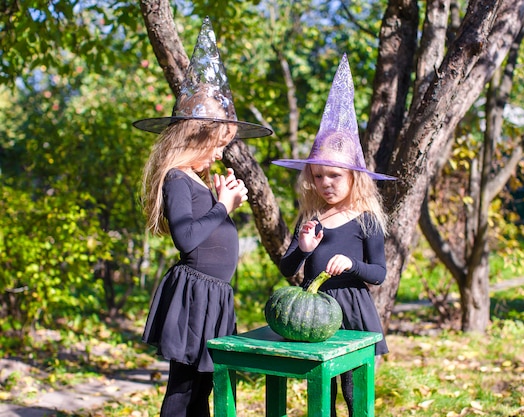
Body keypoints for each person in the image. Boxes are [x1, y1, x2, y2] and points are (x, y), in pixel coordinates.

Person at [133, 17, 272, 417]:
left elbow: (209, 231)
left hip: (213, 295)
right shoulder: (177, 177)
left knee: (204, 386)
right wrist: (222, 206)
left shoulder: (195, 181)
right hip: (194, 296)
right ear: (192, 137)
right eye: (216, 145)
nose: (219, 154)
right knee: (185, 389)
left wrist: (223, 202)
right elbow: (187, 239)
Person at [272, 53, 395, 417]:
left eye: (335, 176)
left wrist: (353, 264)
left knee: (354, 393)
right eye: (319, 175)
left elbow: (379, 273)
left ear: (354, 177)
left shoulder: (366, 218)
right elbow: (287, 266)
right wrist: (305, 248)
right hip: (314, 311)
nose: (325, 183)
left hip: (353, 311)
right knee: (321, 392)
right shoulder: (311, 219)